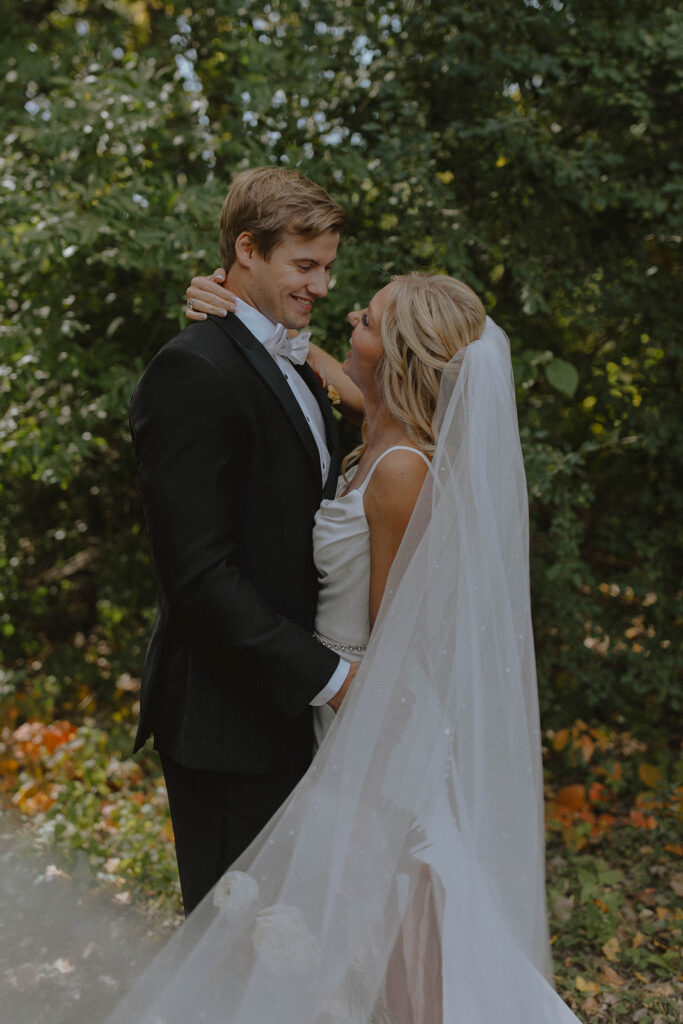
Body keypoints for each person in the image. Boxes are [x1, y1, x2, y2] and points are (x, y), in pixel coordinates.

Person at [107, 271, 583, 1023]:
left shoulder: (399, 472)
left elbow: (401, 641)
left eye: (365, 318)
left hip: (373, 715)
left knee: (403, 923)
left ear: (394, 356)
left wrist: (364, 773)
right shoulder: (372, 426)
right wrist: (228, 303)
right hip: (334, 700)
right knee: (367, 930)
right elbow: (303, 361)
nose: (346, 315)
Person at [129, 166, 360, 916]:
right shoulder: (192, 369)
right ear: (247, 249)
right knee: (233, 958)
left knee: (287, 949)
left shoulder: (289, 358)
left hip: (289, 708)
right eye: (304, 266)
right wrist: (329, 679)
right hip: (228, 722)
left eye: (327, 267)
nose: (321, 286)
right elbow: (197, 576)